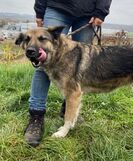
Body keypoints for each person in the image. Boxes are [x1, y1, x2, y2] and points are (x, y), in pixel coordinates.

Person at [24, 0, 112, 147]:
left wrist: (101, 11)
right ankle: (36, 116)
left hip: (87, 12)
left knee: (81, 67)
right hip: (57, 6)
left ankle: (68, 112)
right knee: (42, 63)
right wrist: (40, 11)